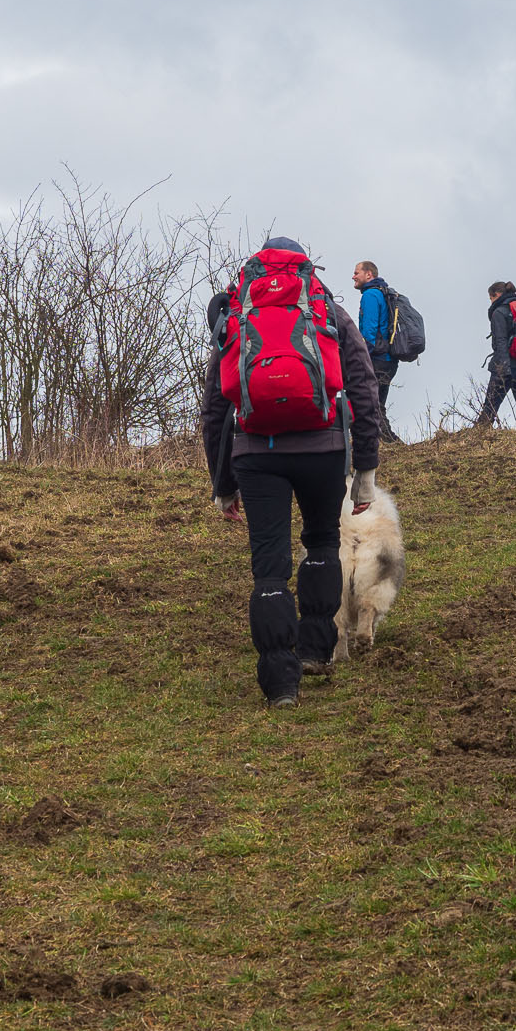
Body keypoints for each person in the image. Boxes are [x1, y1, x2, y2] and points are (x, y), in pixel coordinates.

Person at [201, 237, 383, 707]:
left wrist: (223, 485)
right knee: (322, 542)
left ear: (254, 266)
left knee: (269, 570)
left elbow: (217, 405)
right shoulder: (325, 306)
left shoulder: (239, 311)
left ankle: (281, 684)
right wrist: (365, 468)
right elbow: (362, 386)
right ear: (305, 264)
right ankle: (316, 651)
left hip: (256, 453)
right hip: (323, 448)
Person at [475, 280, 516, 434]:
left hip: (505, 367)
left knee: (490, 407)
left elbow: (500, 341)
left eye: (490, 298)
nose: (490, 302)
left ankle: (476, 439)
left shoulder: (499, 312)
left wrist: (502, 368)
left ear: (496, 295)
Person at [352, 260, 402, 443]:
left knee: (370, 405)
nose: (353, 276)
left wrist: (360, 357)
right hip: (388, 359)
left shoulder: (371, 295)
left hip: (377, 358)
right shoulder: (382, 293)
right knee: (376, 404)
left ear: (368, 275)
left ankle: (391, 442)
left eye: (356, 272)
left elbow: (369, 332)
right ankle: (385, 442)